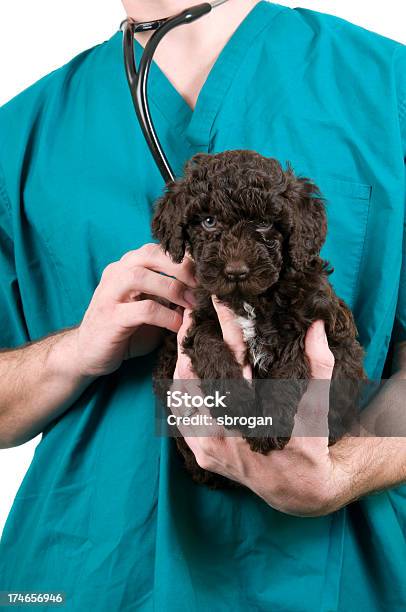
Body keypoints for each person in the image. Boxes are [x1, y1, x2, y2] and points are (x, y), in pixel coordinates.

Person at [0, 0, 405, 609]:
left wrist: (339, 472)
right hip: (89, 574)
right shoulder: (21, 135)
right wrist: (73, 353)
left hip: (333, 579)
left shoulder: (388, 86)